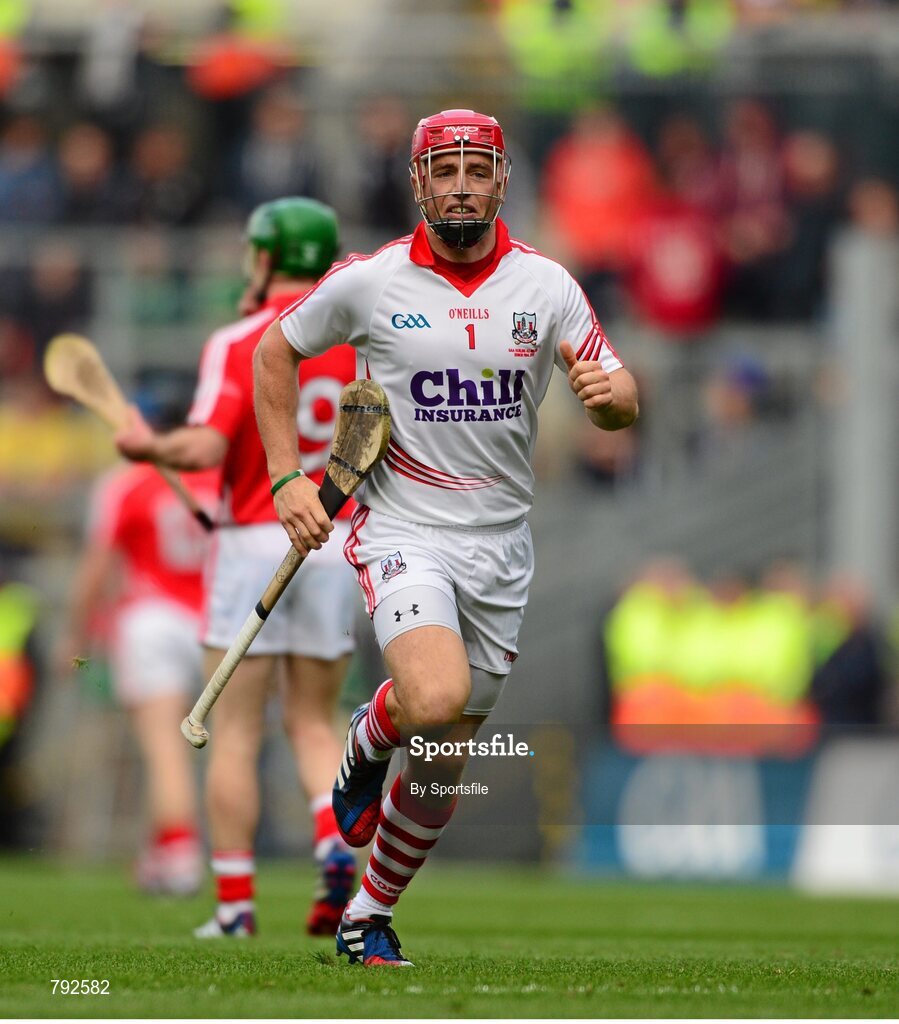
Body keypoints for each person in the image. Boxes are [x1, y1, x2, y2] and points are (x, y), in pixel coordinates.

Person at [253, 108, 639, 966]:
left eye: (477, 169)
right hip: (402, 526)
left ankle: (368, 915)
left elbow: (619, 394)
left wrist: (607, 400)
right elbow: (273, 352)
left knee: (440, 760)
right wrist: (286, 477)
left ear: (501, 181)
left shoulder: (548, 287)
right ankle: (364, 740)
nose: (461, 184)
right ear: (417, 183)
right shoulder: (371, 280)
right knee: (429, 701)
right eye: (444, 170)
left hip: (501, 545)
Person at [114, 198, 359, 938]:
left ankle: (235, 908)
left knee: (239, 732)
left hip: (256, 539)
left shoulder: (242, 337)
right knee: (315, 723)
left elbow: (205, 449)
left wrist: (147, 445)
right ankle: (332, 841)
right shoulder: (358, 340)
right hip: (335, 547)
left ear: (264, 257)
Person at [55, 382, 219, 895]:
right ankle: (175, 852)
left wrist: (74, 637)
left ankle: (180, 853)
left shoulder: (126, 483)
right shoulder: (220, 478)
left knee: (163, 750)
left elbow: (95, 571)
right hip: (218, 627)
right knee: (228, 749)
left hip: (150, 622)